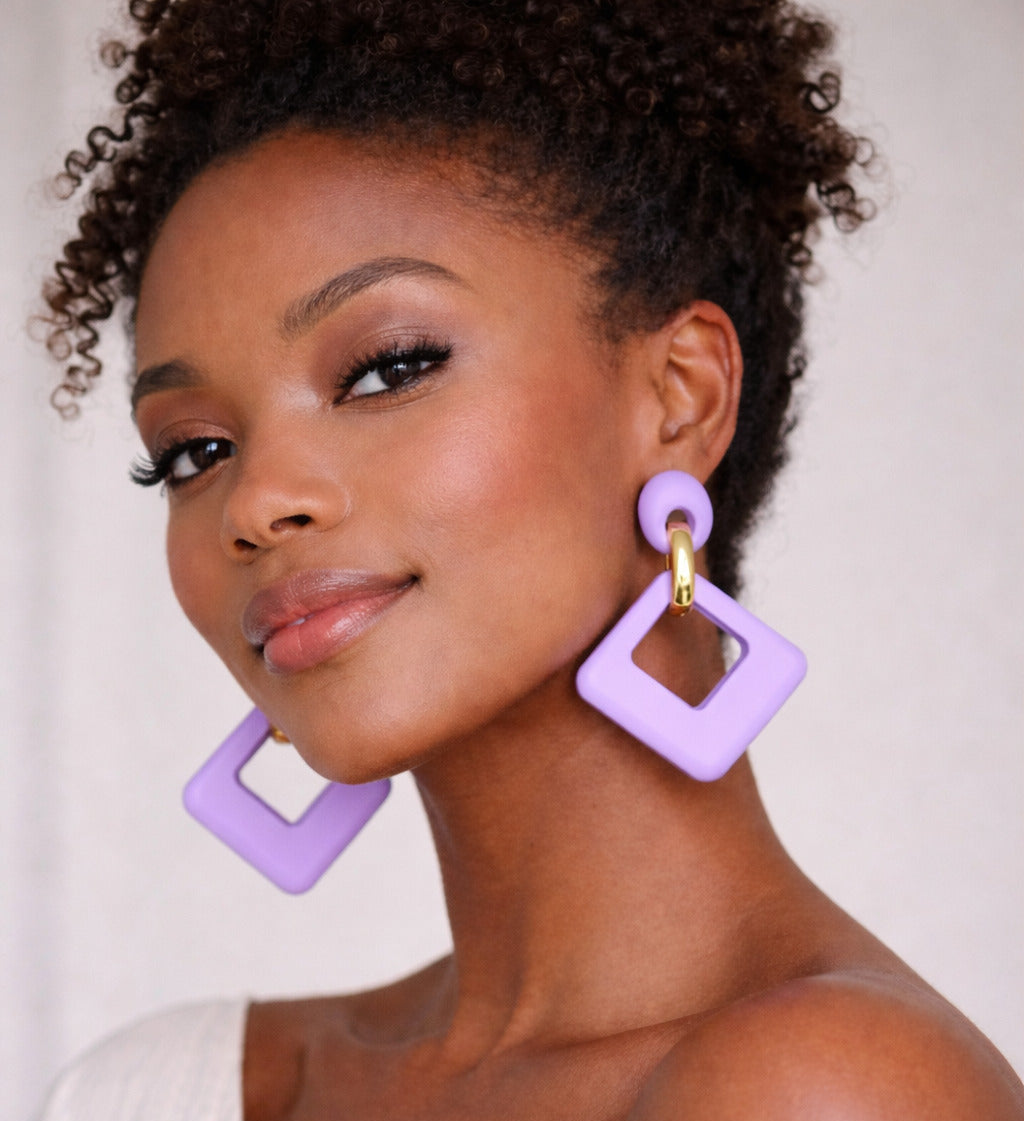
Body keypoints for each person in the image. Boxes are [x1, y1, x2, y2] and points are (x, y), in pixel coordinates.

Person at [34, 0, 1024, 1118]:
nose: (256, 502)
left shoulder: (823, 1085)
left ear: (677, 395)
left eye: (387, 367)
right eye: (194, 450)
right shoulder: (164, 1086)